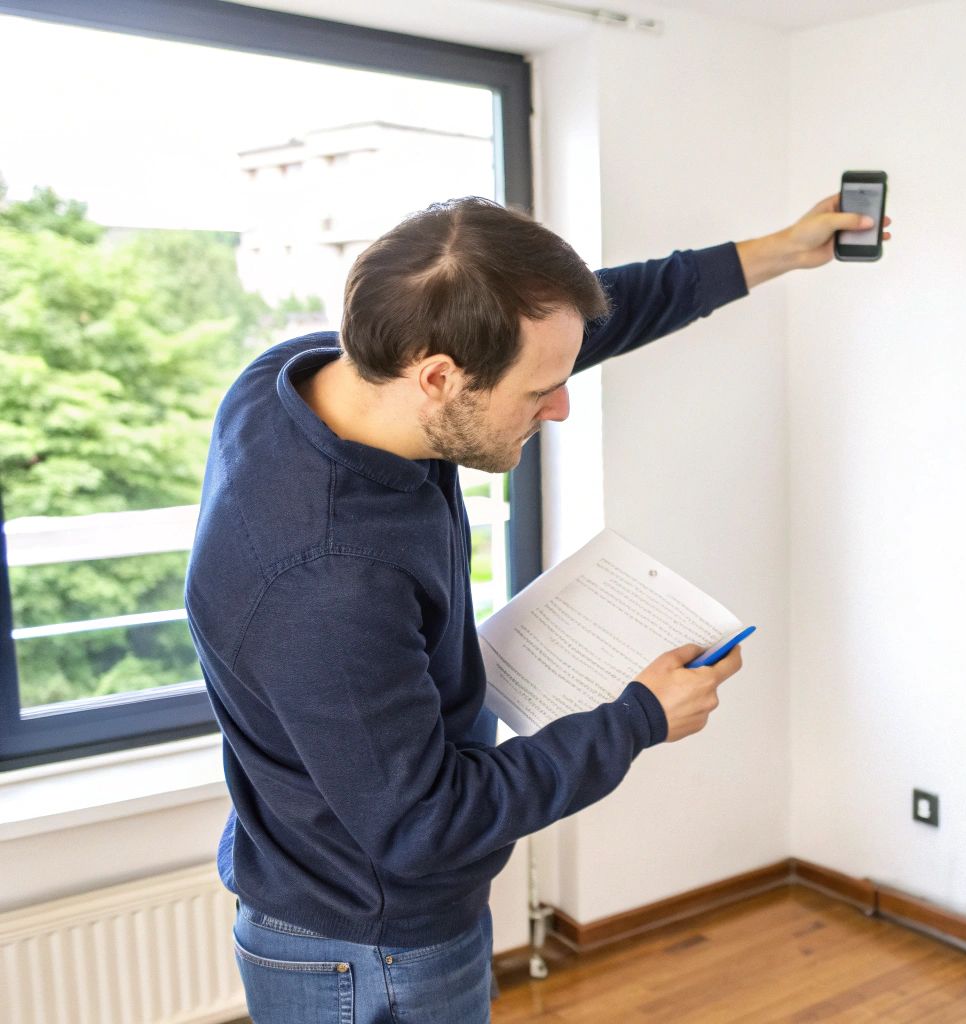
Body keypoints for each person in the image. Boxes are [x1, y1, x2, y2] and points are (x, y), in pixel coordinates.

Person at [185, 194, 888, 1023]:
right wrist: (639, 718)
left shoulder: (304, 379)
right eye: (540, 392)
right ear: (438, 375)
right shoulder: (328, 580)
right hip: (373, 949)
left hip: (350, 901)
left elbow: (587, 318)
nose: (560, 407)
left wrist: (775, 251)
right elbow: (427, 826)